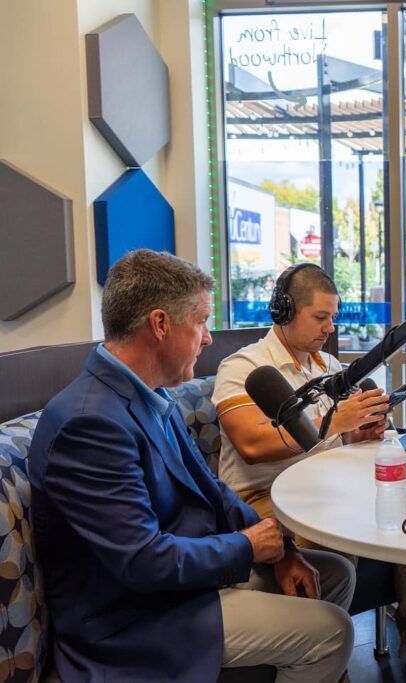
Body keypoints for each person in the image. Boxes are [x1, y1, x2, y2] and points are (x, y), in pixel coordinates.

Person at [28, 250, 356, 683]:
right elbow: (142, 561)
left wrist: (284, 551)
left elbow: (212, 490)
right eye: (200, 321)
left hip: (182, 587)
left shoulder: (150, 394)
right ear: (160, 325)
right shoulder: (89, 423)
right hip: (136, 622)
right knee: (333, 632)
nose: (206, 339)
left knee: (335, 574)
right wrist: (248, 547)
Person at [213, 262, 406, 683]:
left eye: (334, 317)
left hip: (327, 485)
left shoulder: (327, 365)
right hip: (262, 496)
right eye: (320, 317)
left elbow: (337, 439)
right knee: (337, 529)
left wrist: (363, 432)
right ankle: (326, 654)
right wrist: (334, 423)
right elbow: (252, 445)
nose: (330, 327)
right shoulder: (243, 368)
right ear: (283, 310)